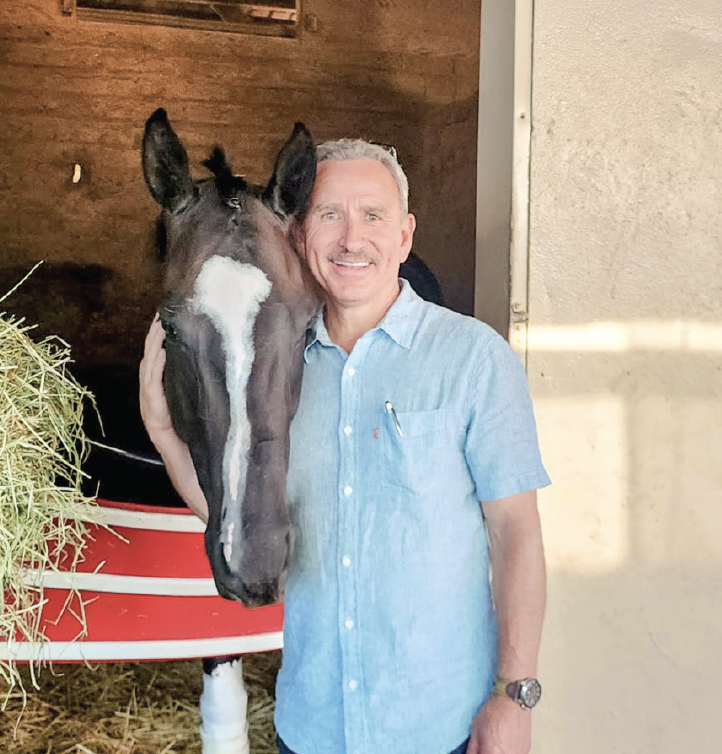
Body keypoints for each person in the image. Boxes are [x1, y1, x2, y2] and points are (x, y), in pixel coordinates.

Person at [139, 139, 549, 754]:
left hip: (440, 730)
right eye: (330, 214)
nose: (352, 239)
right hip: (313, 727)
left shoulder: (473, 359)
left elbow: (515, 532)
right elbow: (248, 523)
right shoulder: (275, 372)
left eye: (373, 216)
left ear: (405, 237)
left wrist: (515, 693)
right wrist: (168, 439)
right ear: (300, 235)